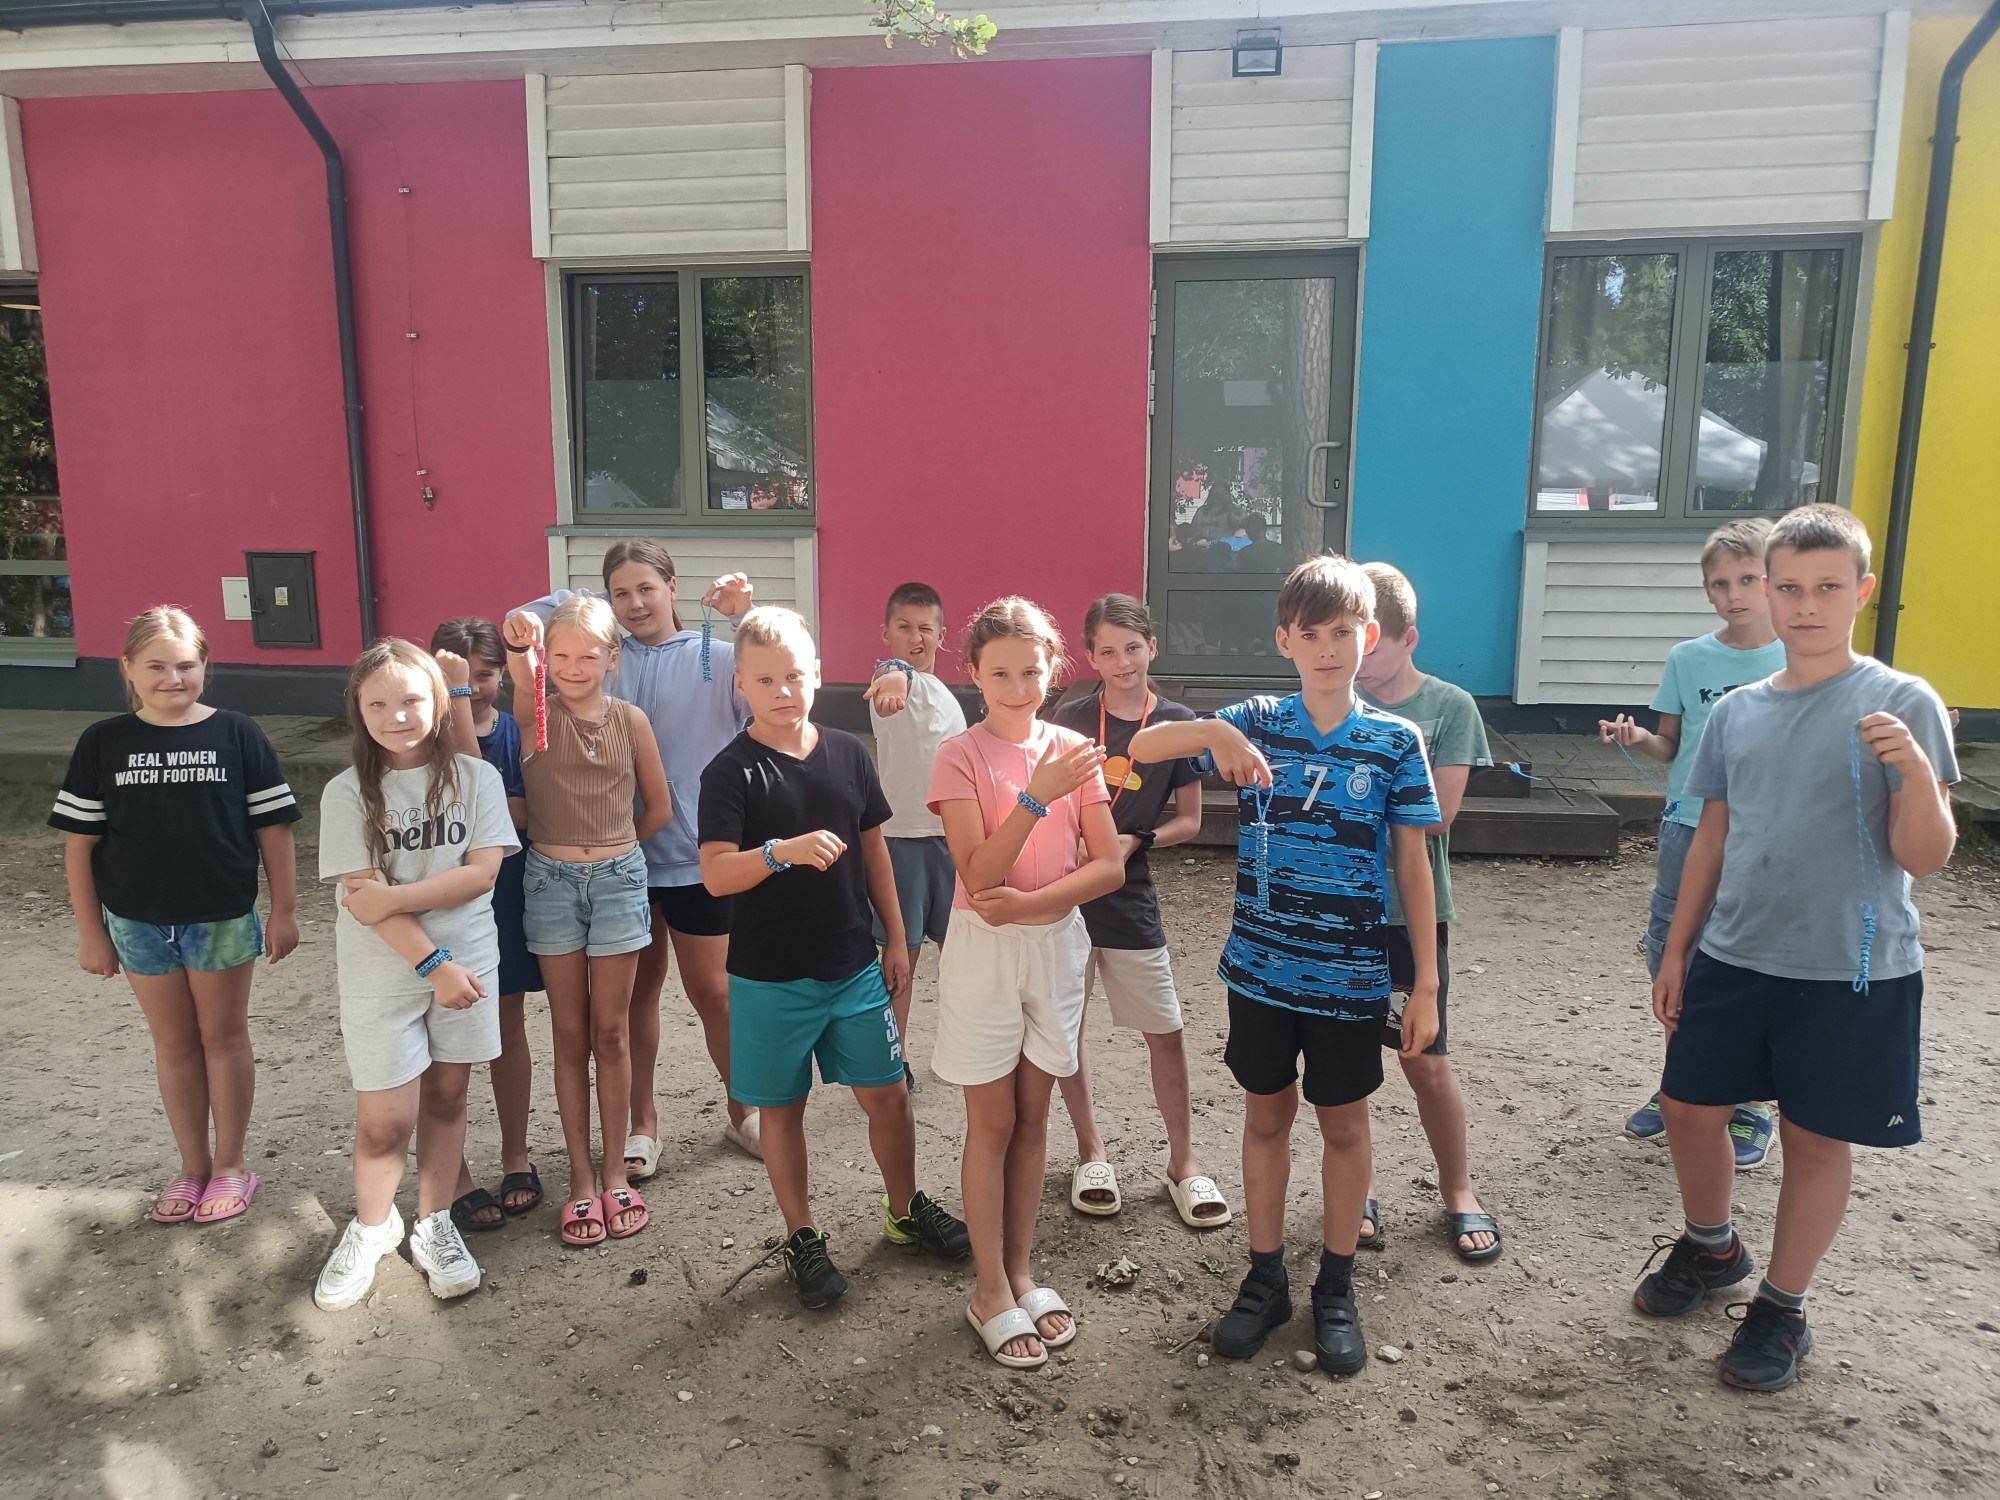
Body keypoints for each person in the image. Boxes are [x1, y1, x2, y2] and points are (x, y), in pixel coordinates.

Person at [1636, 503, 1957, 1392]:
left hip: (1851, 971)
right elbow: (1711, 836)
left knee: (1815, 1138)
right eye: (1789, 588)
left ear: (1862, 590)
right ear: (1768, 593)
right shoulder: (1738, 711)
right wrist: (1677, 950)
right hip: (1734, 955)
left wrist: (1917, 772)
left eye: (1826, 587)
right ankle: (1712, 1248)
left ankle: (1783, 1306)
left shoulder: (1902, 702)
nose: (1806, 605)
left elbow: (1925, 857)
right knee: (1688, 1108)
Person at [1130, 553, 1441, 1377]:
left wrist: (1426, 984)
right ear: (1285, 640)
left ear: (1368, 635)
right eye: (1311, 634)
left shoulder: (1394, 742)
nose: (1328, 649)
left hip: (1349, 980)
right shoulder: (1259, 720)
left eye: (1343, 632)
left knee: (1345, 1125)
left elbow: (1414, 869)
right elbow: (1144, 745)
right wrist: (1214, 732)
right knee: (1266, 1117)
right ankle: (1265, 1278)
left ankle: (1335, 1287)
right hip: (1261, 974)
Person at [698, 607, 971, 1308]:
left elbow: (875, 847)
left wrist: (897, 938)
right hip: (768, 978)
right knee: (782, 1111)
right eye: (765, 680)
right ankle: (802, 1236)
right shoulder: (729, 772)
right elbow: (716, 875)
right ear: (740, 685)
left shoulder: (849, 752)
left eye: (794, 675)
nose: (783, 691)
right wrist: (779, 853)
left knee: (889, 1097)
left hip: (852, 966)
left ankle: (904, 1208)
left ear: (817, 675)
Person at [513, 544, 761, 1172]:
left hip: (698, 857)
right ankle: (642, 1128)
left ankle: (745, 1112)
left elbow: (777, 684)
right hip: (621, 866)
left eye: (647, 588)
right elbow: (528, 618)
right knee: (633, 1000)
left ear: (673, 587)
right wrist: (579, 604)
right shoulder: (601, 655)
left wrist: (741, 615)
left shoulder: (716, 656)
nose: (635, 604)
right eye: (619, 593)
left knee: (715, 992)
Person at [52, 606, 300, 1228]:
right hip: (136, 923)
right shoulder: (103, 742)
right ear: (128, 669)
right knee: (173, 1042)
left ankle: (231, 1163)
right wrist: (90, 932)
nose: (172, 678)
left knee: (223, 1037)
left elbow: (274, 830)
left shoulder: (238, 733)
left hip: (220, 917)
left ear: (205, 667)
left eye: (186, 665)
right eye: (156, 666)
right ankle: (192, 1166)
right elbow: (79, 846)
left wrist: (284, 911)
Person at [930, 598, 1124, 1369]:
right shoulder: (958, 755)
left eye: (1032, 672)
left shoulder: (1076, 750)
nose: (1018, 688)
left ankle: (1019, 1273)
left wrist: (1036, 906)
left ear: (1053, 671)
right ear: (973, 673)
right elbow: (979, 876)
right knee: (994, 1121)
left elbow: (1108, 867)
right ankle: (987, 1291)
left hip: (1054, 945)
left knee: (1035, 1116)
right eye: (1001, 673)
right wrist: (1036, 796)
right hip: (984, 950)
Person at [313, 639, 519, 1309]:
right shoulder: (347, 793)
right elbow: (362, 899)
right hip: (389, 973)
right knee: (385, 1120)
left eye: (410, 700)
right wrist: (433, 963)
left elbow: (480, 874)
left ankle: (434, 1222)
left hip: (469, 967)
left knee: (448, 1098)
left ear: (437, 701)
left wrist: (391, 897)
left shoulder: (476, 779)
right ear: (357, 710)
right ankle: (373, 1227)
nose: (396, 716)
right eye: (377, 704)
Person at [1600, 520, 1786, 1167]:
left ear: (1773, 581)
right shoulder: (1688, 658)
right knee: (1671, 947)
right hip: (1686, 823)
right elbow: (1670, 745)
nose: (1734, 595)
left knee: (1747, 954)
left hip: (1762, 831)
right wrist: (1636, 739)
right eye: (1719, 584)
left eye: (1747, 580)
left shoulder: (1795, 658)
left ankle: (1751, 1102)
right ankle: (1684, 1080)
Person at [1048, 594, 1228, 1229]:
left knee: (1165, 1029)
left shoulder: (1178, 723)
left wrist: (1135, 840)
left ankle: (1184, 1162)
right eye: (1107, 651)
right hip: (1066, 894)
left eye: (1132, 647)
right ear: (1090, 656)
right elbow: (1049, 800)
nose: (1121, 661)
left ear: (1152, 646)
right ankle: (1091, 1153)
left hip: (1128, 894)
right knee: (1066, 1028)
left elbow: (1191, 820)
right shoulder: (1070, 717)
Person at [503, 597, 672, 1248]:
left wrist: (616, 853)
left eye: (588, 655)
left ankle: (614, 1173)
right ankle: (580, 1177)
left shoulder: (631, 720)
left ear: (613, 657)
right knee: (570, 1035)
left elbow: (658, 808)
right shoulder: (536, 714)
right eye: (560, 656)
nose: (573, 668)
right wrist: (519, 641)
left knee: (612, 1031)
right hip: (549, 884)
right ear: (547, 659)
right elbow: (523, 677)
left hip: (619, 882)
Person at [1353, 562, 1503, 1262]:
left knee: (1425, 1061)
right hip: (1338, 911)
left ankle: (1458, 1190)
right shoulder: (1335, 700)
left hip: (1408, 917)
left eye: (1370, 643)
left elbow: (1437, 815)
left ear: (1407, 638)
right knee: (1347, 1062)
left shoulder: (1450, 707)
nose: (1356, 658)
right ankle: (1360, 1188)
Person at [431, 617, 544, 1230]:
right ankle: (455, 1174)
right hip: (442, 902)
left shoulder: (510, 733)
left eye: (485, 675)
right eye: (460, 677)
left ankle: (515, 1154)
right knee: (443, 1041)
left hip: (504, 895)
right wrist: (446, 703)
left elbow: (507, 813)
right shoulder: (417, 734)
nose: (473, 688)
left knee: (505, 1026)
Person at [861, 581, 967, 1079]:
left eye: (926, 628)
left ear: (942, 635)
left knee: (963, 953)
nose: (915, 637)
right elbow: (892, 673)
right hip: (902, 839)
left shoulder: (946, 693)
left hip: (955, 839)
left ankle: (966, 1053)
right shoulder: (889, 680)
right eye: (903, 627)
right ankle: (893, 1056)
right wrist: (894, 675)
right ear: (886, 633)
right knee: (901, 954)